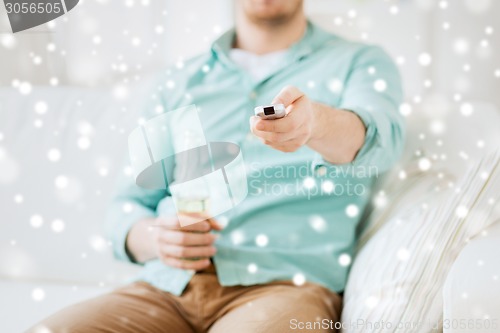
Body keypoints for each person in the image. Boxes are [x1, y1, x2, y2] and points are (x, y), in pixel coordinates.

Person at [28, 0, 404, 332]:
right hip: (165, 288)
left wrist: (316, 124)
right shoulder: (178, 82)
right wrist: (155, 237)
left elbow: (381, 143)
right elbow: (125, 206)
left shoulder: (360, 61)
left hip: (285, 288)